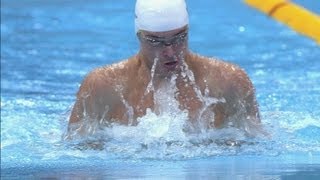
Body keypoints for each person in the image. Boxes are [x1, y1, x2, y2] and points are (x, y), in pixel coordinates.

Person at [66, 0, 262, 138]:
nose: (170, 51)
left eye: (179, 38)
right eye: (155, 41)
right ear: (139, 36)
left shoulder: (228, 81)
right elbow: (76, 153)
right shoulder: (104, 85)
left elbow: (257, 148)